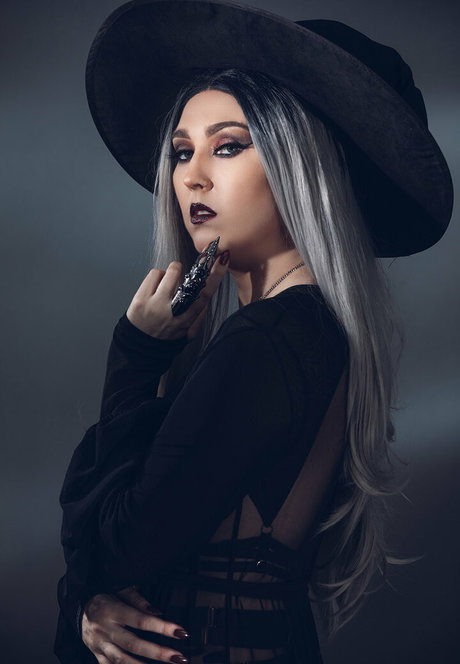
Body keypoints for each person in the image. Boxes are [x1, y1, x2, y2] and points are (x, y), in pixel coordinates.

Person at [54, 2, 453, 663]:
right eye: (182, 151)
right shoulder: (313, 332)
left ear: (304, 166)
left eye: (229, 146)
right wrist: (89, 610)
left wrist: (135, 355)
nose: (191, 176)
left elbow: (115, 551)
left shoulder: (269, 339)